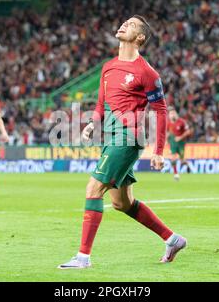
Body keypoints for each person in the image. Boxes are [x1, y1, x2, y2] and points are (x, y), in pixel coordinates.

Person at [58, 15, 187, 269]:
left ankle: (83, 258)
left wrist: (159, 151)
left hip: (129, 138)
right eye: (124, 22)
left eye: (131, 24)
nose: (124, 25)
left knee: (93, 189)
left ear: (140, 38)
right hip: (111, 136)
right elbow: (100, 103)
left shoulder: (147, 73)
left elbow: (161, 110)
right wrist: (93, 123)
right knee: (121, 203)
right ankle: (173, 239)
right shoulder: (108, 67)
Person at [167, 107, 191, 180]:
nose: (172, 115)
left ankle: (187, 165)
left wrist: (180, 137)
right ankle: (176, 174)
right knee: (173, 159)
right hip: (173, 144)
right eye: (171, 113)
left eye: (173, 113)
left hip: (181, 144)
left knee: (182, 161)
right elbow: (167, 133)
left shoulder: (182, 122)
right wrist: (166, 141)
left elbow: (188, 131)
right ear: (169, 115)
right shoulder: (168, 123)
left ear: (176, 114)